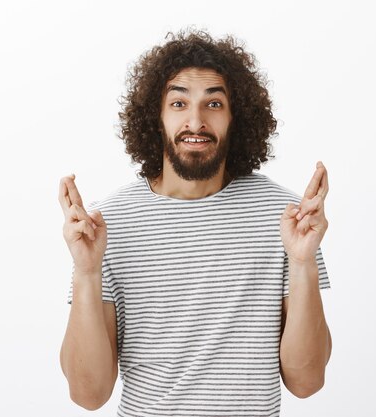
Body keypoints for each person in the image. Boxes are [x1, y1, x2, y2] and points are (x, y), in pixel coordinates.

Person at [58, 28, 332, 416]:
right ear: (156, 117)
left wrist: (303, 262)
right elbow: (89, 394)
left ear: (236, 118)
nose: (196, 121)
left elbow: (307, 382)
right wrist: (87, 272)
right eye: (178, 103)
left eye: (214, 104)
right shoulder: (107, 225)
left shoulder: (287, 218)